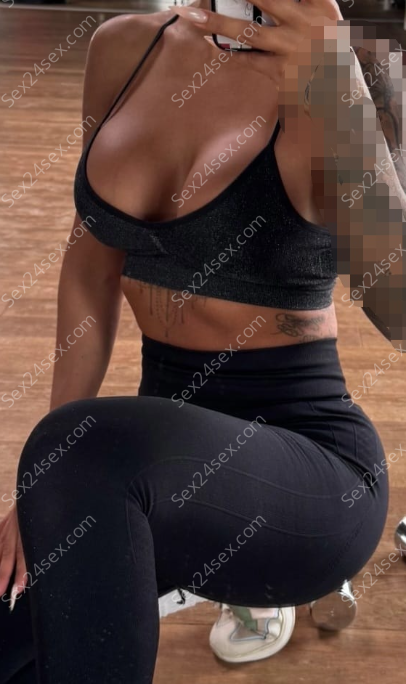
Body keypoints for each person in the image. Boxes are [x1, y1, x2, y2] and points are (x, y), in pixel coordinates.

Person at [1, 0, 404, 680]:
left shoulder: (365, 69)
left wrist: (342, 95)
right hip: (149, 470)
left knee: (85, 453)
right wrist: (44, 489)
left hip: (313, 470)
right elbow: (89, 266)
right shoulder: (125, 47)